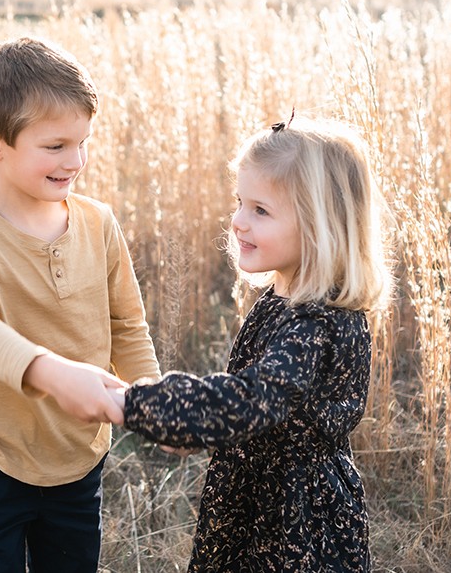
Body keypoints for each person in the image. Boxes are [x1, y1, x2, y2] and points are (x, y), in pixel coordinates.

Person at [116, 114, 393, 572]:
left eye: (260, 210)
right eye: (239, 202)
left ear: (319, 227)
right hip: (258, 496)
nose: (238, 221)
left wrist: (142, 405)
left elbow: (251, 399)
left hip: (295, 519)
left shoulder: (316, 324)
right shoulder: (281, 296)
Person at [0, 36, 161, 573]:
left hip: (78, 454)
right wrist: (53, 374)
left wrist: (152, 395)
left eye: (83, 142)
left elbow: (126, 323)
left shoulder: (98, 223)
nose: (75, 160)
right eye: (55, 146)